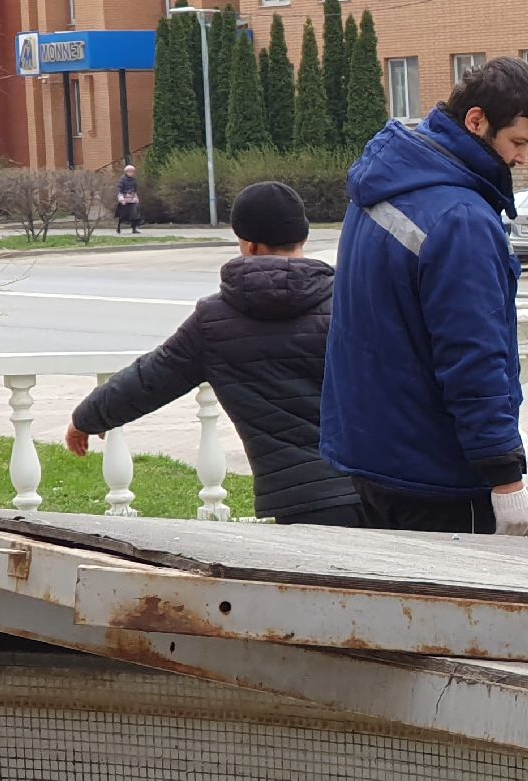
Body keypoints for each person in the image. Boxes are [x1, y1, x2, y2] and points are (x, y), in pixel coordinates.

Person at [321, 57, 528, 535]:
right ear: (476, 121)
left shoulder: (379, 189)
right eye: (518, 142)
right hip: (439, 475)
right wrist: (506, 479)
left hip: (372, 459)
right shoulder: (460, 218)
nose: (522, 158)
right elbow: (473, 355)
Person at [66, 181, 360, 526]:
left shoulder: (213, 321)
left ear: (247, 244)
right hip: (379, 485)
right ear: (304, 238)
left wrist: (86, 418)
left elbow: (149, 379)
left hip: (300, 499)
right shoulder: (350, 301)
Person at [115, 165, 141, 234]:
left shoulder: (134, 180)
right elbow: (119, 189)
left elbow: (135, 189)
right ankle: (118, 227)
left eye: (132, 172)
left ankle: (134, 228)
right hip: (124, 198)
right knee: (122, 215)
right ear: (126, 172)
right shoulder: (122, 180)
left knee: (134, 214)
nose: (131, 173)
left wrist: (135, 197)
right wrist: (122, 199)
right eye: (130, 172)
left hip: (132, 199)